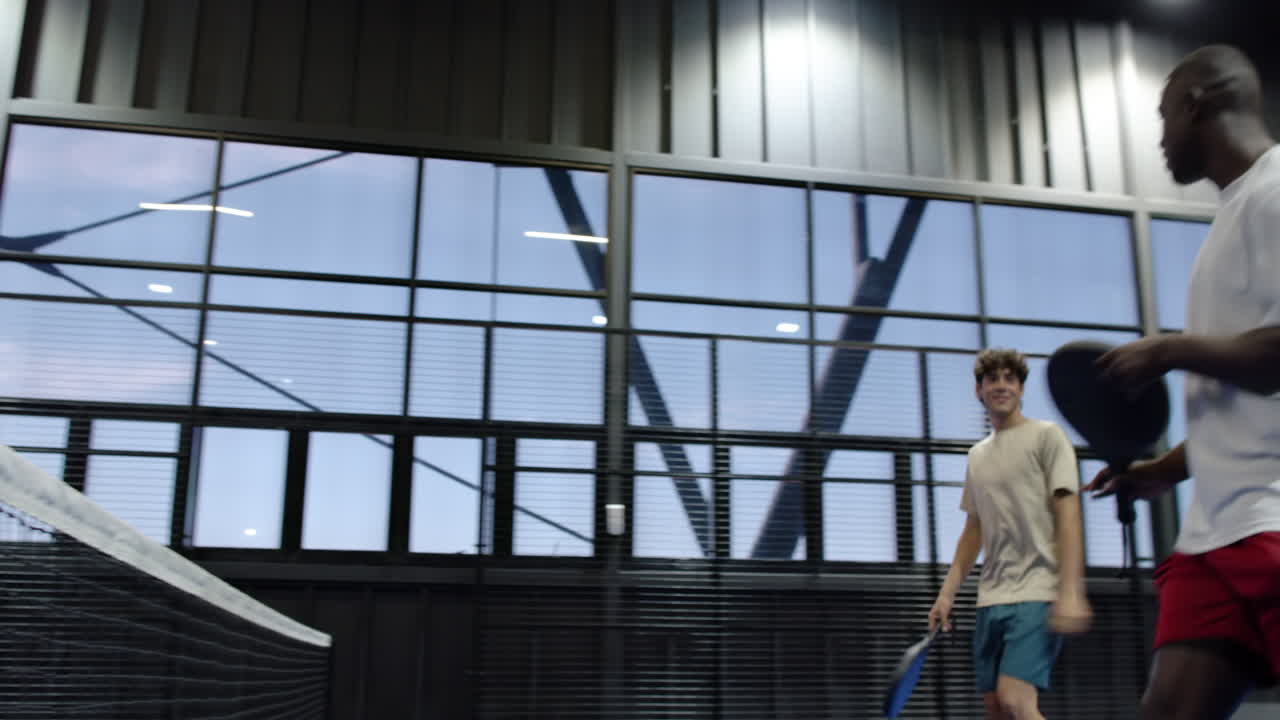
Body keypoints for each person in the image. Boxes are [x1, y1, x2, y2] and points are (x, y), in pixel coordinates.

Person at [1086, 44, 1280, 720]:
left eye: (1163, 114)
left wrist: (1171, 351)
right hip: (1215, 537)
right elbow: (1242, 405)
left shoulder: (1278, 191)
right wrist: (1162, 471)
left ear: (1196, 103)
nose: (1160, 137)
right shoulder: (1229, 218)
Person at [929, 348, 1091, 720]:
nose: (1001, 385)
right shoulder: (977, 456)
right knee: (997, 709)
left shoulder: (1047, 437)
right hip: (991, 599)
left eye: (1010, 378)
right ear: (979, 390)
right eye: (992, 379)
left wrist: (1070, 592)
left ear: (1020, 389)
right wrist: (946, 595)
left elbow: (1068, 514)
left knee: (1017, 700)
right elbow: (974, 531)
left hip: (1038, 592)